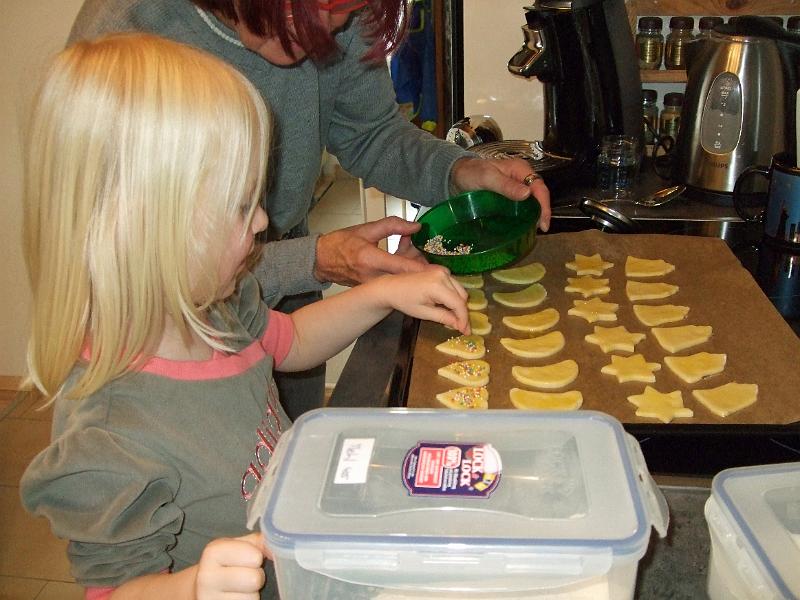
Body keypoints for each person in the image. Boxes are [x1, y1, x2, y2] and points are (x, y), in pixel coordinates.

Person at [19, 33, 470, 600]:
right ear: (140, 226)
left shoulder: (215, 307)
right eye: (238, 204)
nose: (262, 221)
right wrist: (190, 588)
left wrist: (383, 296)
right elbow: (115, 590)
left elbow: (294, 340)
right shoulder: (109, 435)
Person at [67, 0, 552, 420]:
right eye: (325, 8)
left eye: (354, 9)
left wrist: (463, 172)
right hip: (166, 317)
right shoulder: (131, 32)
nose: (339, 25)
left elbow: (372, 133)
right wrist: (308, 259)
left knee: (275, 447)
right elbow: (118, 260)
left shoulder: (341, 12)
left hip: (271, 298)